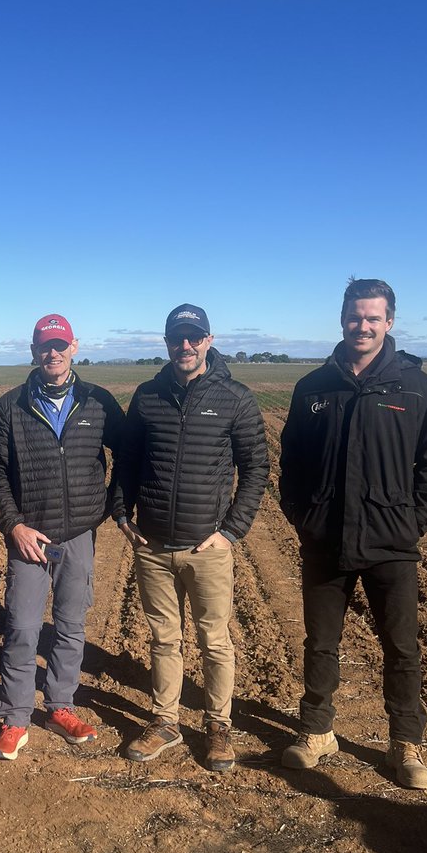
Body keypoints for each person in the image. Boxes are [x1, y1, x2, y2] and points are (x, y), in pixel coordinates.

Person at [279, 278, 427, 789]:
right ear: (342, 319)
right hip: (325, 538)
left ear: (389, 323)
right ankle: (316, 731)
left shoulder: (415, 387)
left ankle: (405, 743)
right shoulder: (313, 386)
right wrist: (302, 516)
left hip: (391, 542)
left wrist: (412, 521)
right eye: (356, 316)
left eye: (373, 317)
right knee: (320, 642)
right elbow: (290, 462)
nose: (363, 325)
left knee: (401, 647)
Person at [118, 304, 269, 767]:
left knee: (214, 640)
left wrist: (231, 531)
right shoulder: (147, 396)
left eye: (193, 337)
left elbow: (257, 468)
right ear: (166, 342)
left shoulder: (235, 397)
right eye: (176, 337)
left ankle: (217, 724)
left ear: (207, 340)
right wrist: (122, 515)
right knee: (164, 638)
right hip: (153, 546)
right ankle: (166, 722)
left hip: (208, 547)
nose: (185, 345)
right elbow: (126, 461)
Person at [0, 314, 126, 760]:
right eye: (45, 346)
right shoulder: (11, 406)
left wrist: (113, 505)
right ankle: (16, 718)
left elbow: (130, 454)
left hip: (79, 533)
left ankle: (60, 706)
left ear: (74, 346)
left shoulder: (98, 402)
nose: (53, 353)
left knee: (70, 625)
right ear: (33, 351)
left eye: (60, 344)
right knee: (22, 627)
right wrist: (13, 524)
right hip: (29, 535)